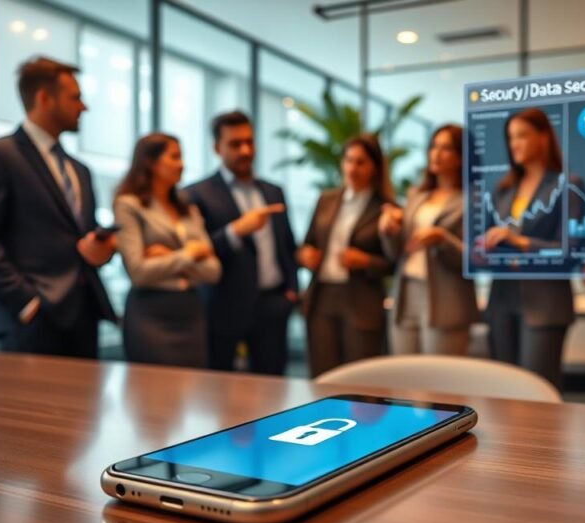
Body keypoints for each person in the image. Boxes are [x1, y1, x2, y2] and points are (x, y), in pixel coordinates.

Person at [0, 56, 116, 358]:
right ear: (44, 98)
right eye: (75, 97)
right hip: (33, 322)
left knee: (85, 405)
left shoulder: (79, 169)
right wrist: (26, 302)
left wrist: (101, 249)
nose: (84, 107)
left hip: (85, 315)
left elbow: (78, 238)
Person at [183, 111, 298, 374]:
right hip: (223, 307)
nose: (245, 150)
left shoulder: (272, 191)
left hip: (273, 306)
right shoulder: (198, 194)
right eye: (235, 144)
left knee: (273, 389)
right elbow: (197, 250)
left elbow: (287, 245)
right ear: (217, 147)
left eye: (250, 142)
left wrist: (291, 288)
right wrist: (235, 231)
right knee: (218, 392)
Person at [481, 108, 578, 390]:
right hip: (501, 299)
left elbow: (568, 251)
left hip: (544, 303)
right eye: (511, 138)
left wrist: (519, 241)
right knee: (503, 391)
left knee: (537, 392)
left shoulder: (567, 186)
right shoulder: (502, 191)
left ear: (544, 137)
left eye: (522, 135)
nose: (515, 144)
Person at [114, 134, 220, 368]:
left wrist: (168, 256)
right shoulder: (129, 205)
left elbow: (213, 271)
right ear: (151, 162)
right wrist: (191, 254)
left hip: (190, 310)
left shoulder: (187, 208)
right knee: (154, 395)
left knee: (191, 393)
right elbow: (139, 271)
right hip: (150, 313)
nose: (181, 164)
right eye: (174, 157)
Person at [298, 134, 398, 377]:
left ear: (374, 167)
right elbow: (306, 244)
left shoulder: (385, 207)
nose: (352, 168)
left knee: (359, 378)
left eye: (361, 162)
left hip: (361, 301)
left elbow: (394, 263)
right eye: (349, 161)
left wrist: (365, 261)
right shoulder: (327, 200)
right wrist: (305, 255)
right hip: (322, 296)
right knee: (322, 376)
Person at [378, 124, 478, 355]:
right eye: (433, 146)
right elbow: (397, 253)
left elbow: (475, 259)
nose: (436, 154)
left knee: (440, 381)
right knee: (403, 378)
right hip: (406, 294)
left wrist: (443, 238)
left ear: (462, 156)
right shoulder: (416, 196)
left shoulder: (474, 200)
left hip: (447, 299)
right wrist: (389, 230)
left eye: (446, 148)